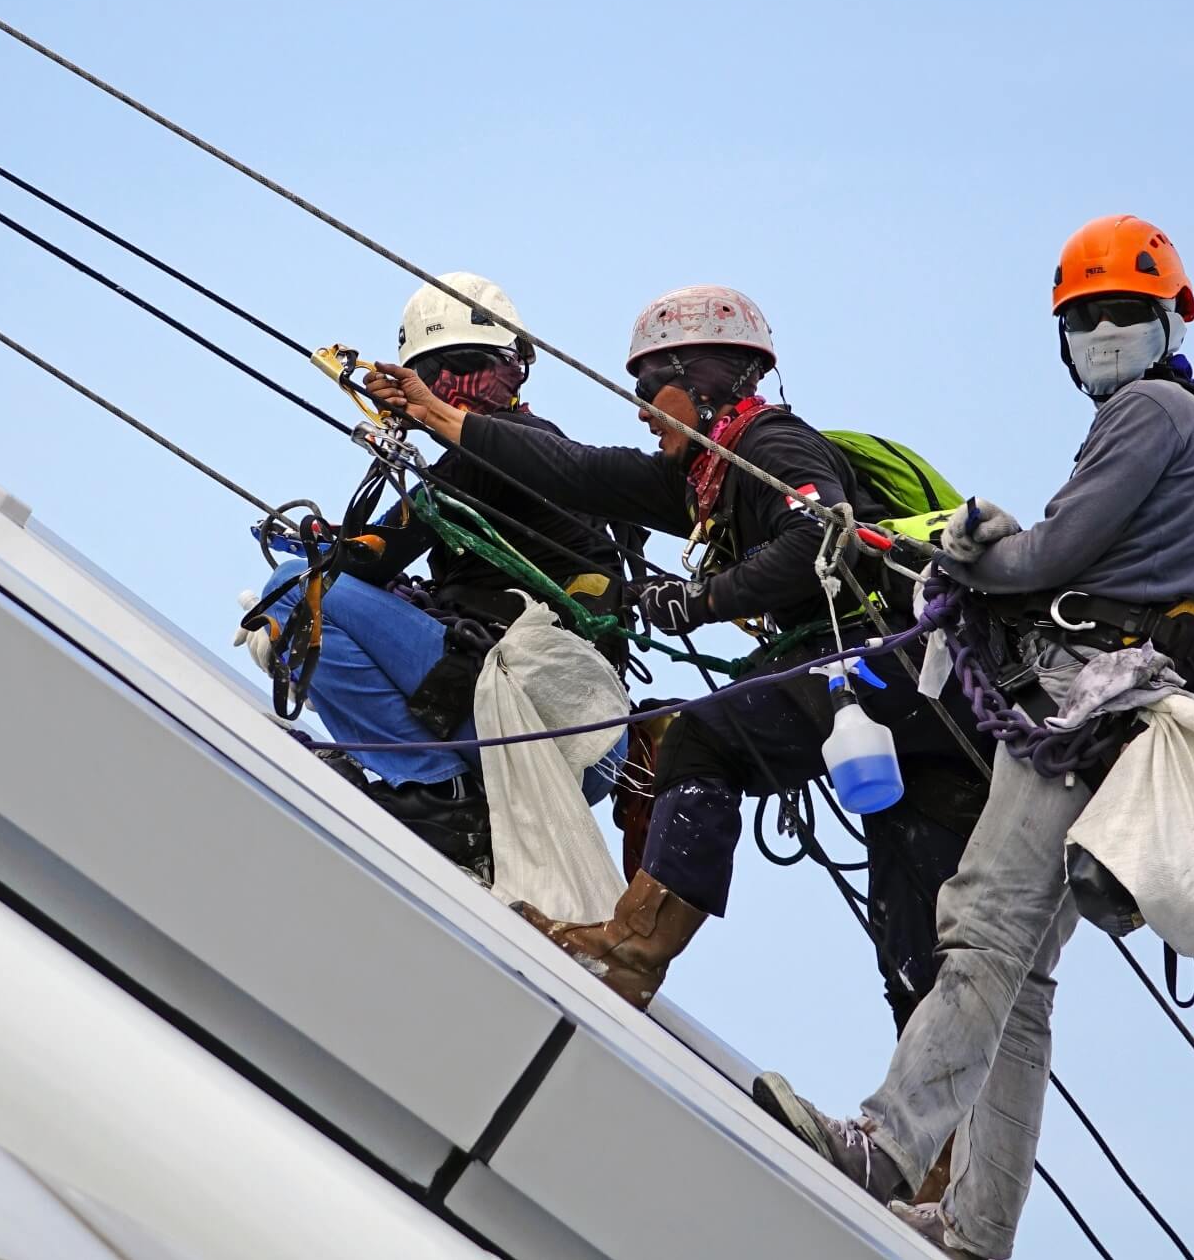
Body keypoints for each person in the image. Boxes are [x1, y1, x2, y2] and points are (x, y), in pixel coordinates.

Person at [750, 216, 1194, 1260]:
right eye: (1086, 317)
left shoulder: (1150, 410)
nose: (1103, 330)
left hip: (1090, 712)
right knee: (1018, 983)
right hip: (1130, 717)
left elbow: (1050, 555)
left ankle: (876, 1150)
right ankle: (974, 1228)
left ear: (1168, 321)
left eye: (1120, 312)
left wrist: (967, 549)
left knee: (977, 929)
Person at [366, 286, 992, 1022]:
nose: (638, 407)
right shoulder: (703, 477)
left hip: (890, 663)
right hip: (926, 703)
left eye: (647, 386)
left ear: (703, 377)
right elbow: (579, 470)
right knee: (909, 924)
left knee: (702, 735)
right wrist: (446, 419)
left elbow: (817, 536)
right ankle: (939, 1135)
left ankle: (631, 948)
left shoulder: (771, 446)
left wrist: (700, 601)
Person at [248, 272, 628, 880]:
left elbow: (372, 554)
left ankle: (435, 791)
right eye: (433, 377)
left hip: (546, 719)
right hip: (576, 738)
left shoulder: (505, 448)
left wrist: (328, 550)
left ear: (516, 372)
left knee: (296, 590)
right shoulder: (528, 460)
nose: (452, 391)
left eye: (470, 369)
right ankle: (452, 802)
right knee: (332, 595)